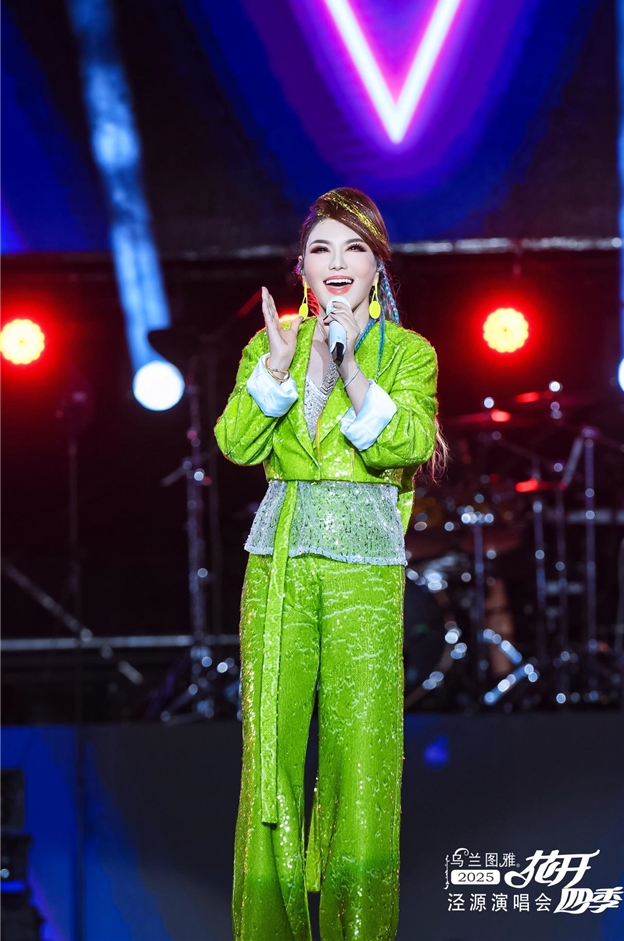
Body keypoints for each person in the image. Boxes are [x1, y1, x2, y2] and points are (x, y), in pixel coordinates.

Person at [214, 187, 446, 941]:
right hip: (278, 564)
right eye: (321, 248)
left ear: (378, 265)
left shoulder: (408, 352)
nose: (337, 262)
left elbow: (408, 442)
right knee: (271, 754)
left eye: (354, 248)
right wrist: (279, 372)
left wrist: (348, 370)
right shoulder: (271, 344)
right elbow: (236, 443)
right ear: (302, 267)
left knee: (361, 754)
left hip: (363, 570)